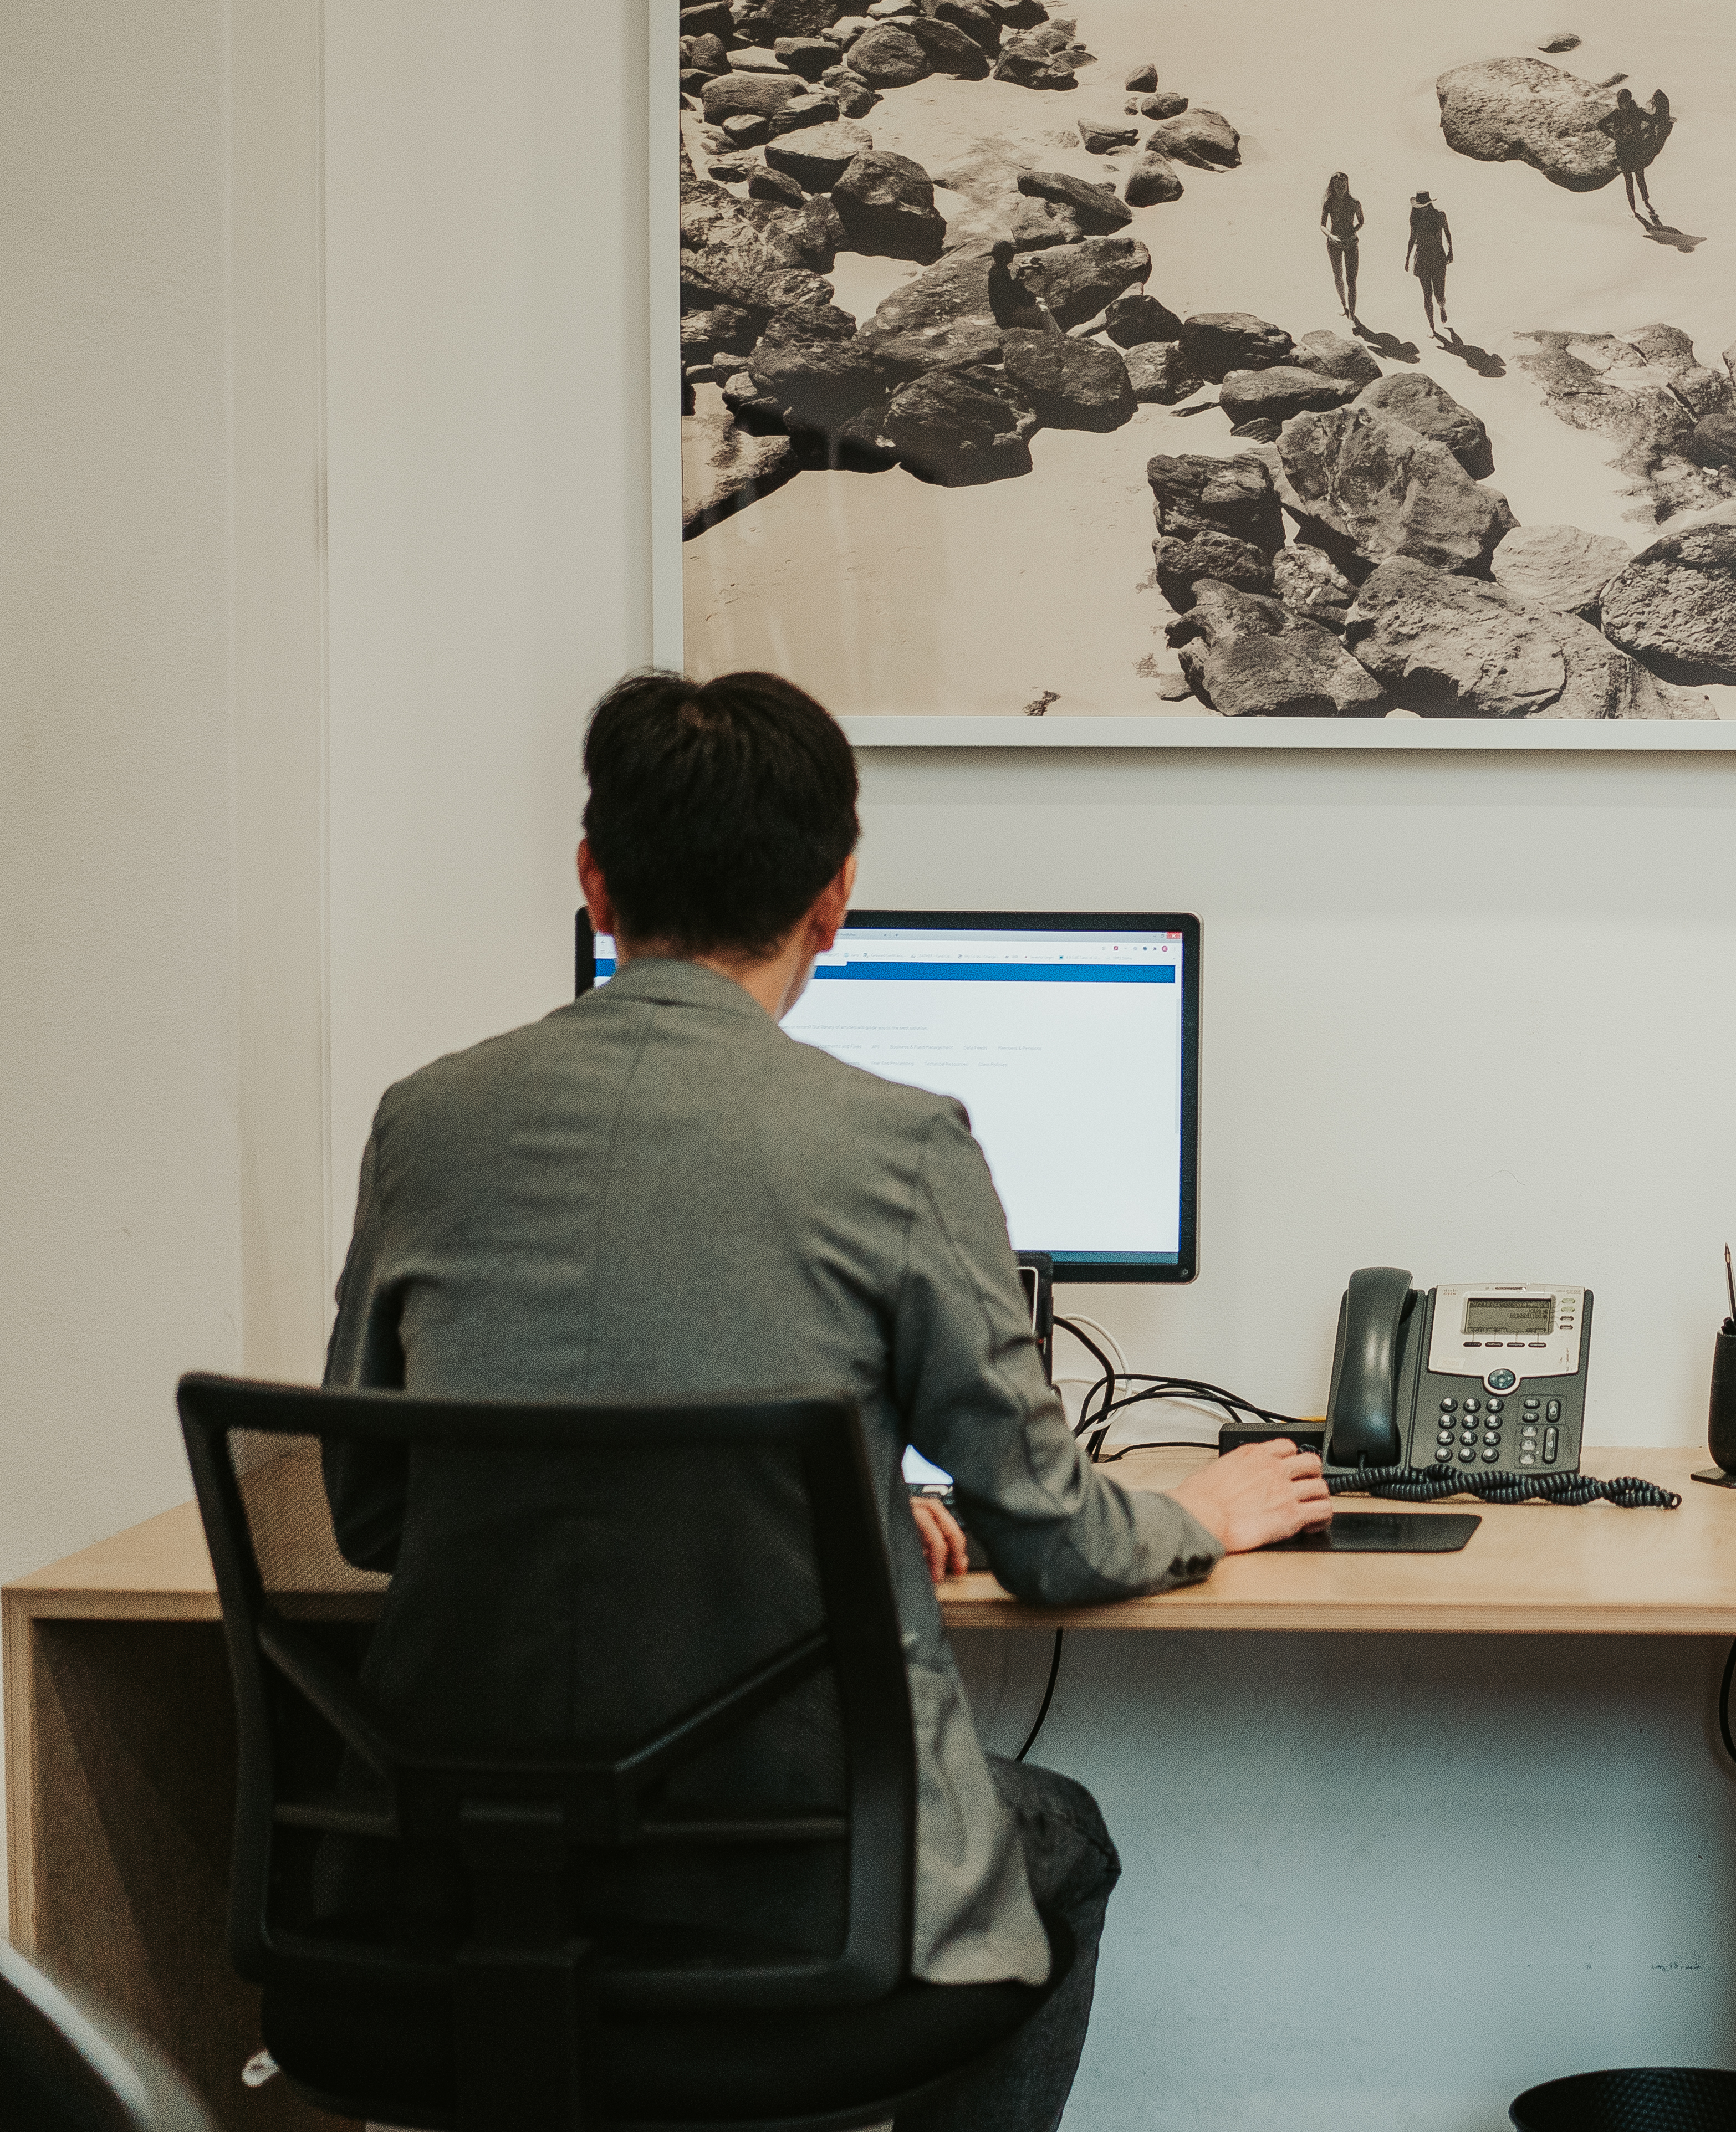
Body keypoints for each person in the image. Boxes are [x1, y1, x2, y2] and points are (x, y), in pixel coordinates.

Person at [319, 670, 1331, 2132]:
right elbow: (1047, 1536)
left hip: (473, 1882)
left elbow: (375, 1514)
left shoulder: (425, 1121)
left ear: (594, 881)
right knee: (1062, 1837)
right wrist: (1191, 1514)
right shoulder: (898, 1145)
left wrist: (845, 1515)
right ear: (834, 898)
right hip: (785, 1891)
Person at [1615, 87, 1673, 226]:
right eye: (1621, 101)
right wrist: (1615, 135)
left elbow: (1652, 121)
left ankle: (1645, 203)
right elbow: (1602, 125)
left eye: (1622, 101)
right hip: (1628, 151)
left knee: (1639, 178)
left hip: (1630, 150)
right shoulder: (1624, 113)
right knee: (1631, 180)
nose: (1621, 104)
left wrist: (1617, 135)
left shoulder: (1629, 113)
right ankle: (1634, 208)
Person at [1403, 190, 1453, 336]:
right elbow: (1412, 237)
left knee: (1439, 293)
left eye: (1423, 206)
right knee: (1427, 294)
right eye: (1419, 206)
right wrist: (1407, 258)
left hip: (1438, 256)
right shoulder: (1415, 218)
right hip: (1422, 257)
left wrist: (1451, 250)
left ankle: (1442, 307)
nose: (1421, 209)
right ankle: (1431, 326)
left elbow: (1447, 232)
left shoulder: (1439, 215)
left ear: (1429, 205)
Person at [1319, 171, 1363, 323]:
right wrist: (1331, 236)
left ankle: (1352, 313)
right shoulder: (1329, 203)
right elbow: (1323, 225)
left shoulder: (1354, 202)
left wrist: (1353, 231)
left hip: (1351, 243)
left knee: (1351, 280)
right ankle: (1344, 305)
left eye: (1343, 186)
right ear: (1333, 186)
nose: (1341, 189)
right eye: (1337, 186)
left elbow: (1361, 221)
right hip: (1334, 243)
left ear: (1347, 185)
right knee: (1337, 274)